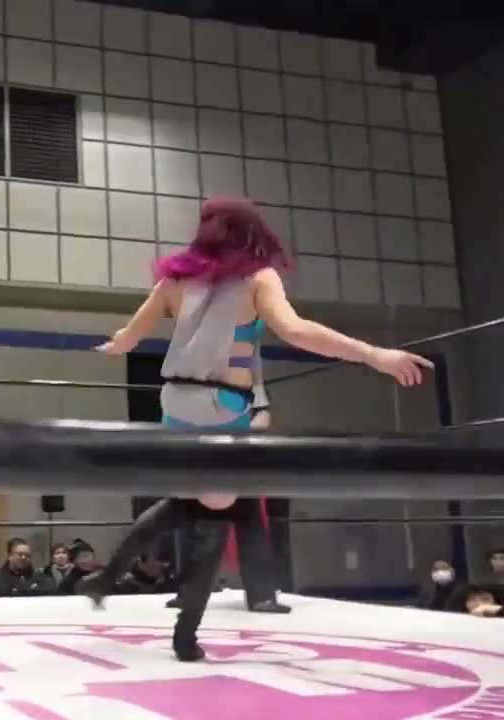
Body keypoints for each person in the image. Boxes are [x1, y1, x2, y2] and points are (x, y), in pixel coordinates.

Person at [85, 196, 431, 662]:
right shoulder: (257, 278)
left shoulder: (175, 280)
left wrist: (110, 346)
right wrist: (373, 354)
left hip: (174, 405)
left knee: (188, 500)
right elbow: (296, 330)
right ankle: (184, 635)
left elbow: (129, 338)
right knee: (213, 513)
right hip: (223, 408)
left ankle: (109, 578)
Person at [165, 389, 291, 614]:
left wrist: (234, 433)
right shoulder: (198, 383)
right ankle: (189, 593)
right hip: (203, 458)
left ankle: (261, 596)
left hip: (239, 459)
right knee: (194, 525)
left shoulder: (247, 382)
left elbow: (263, 416)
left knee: (250, 524)